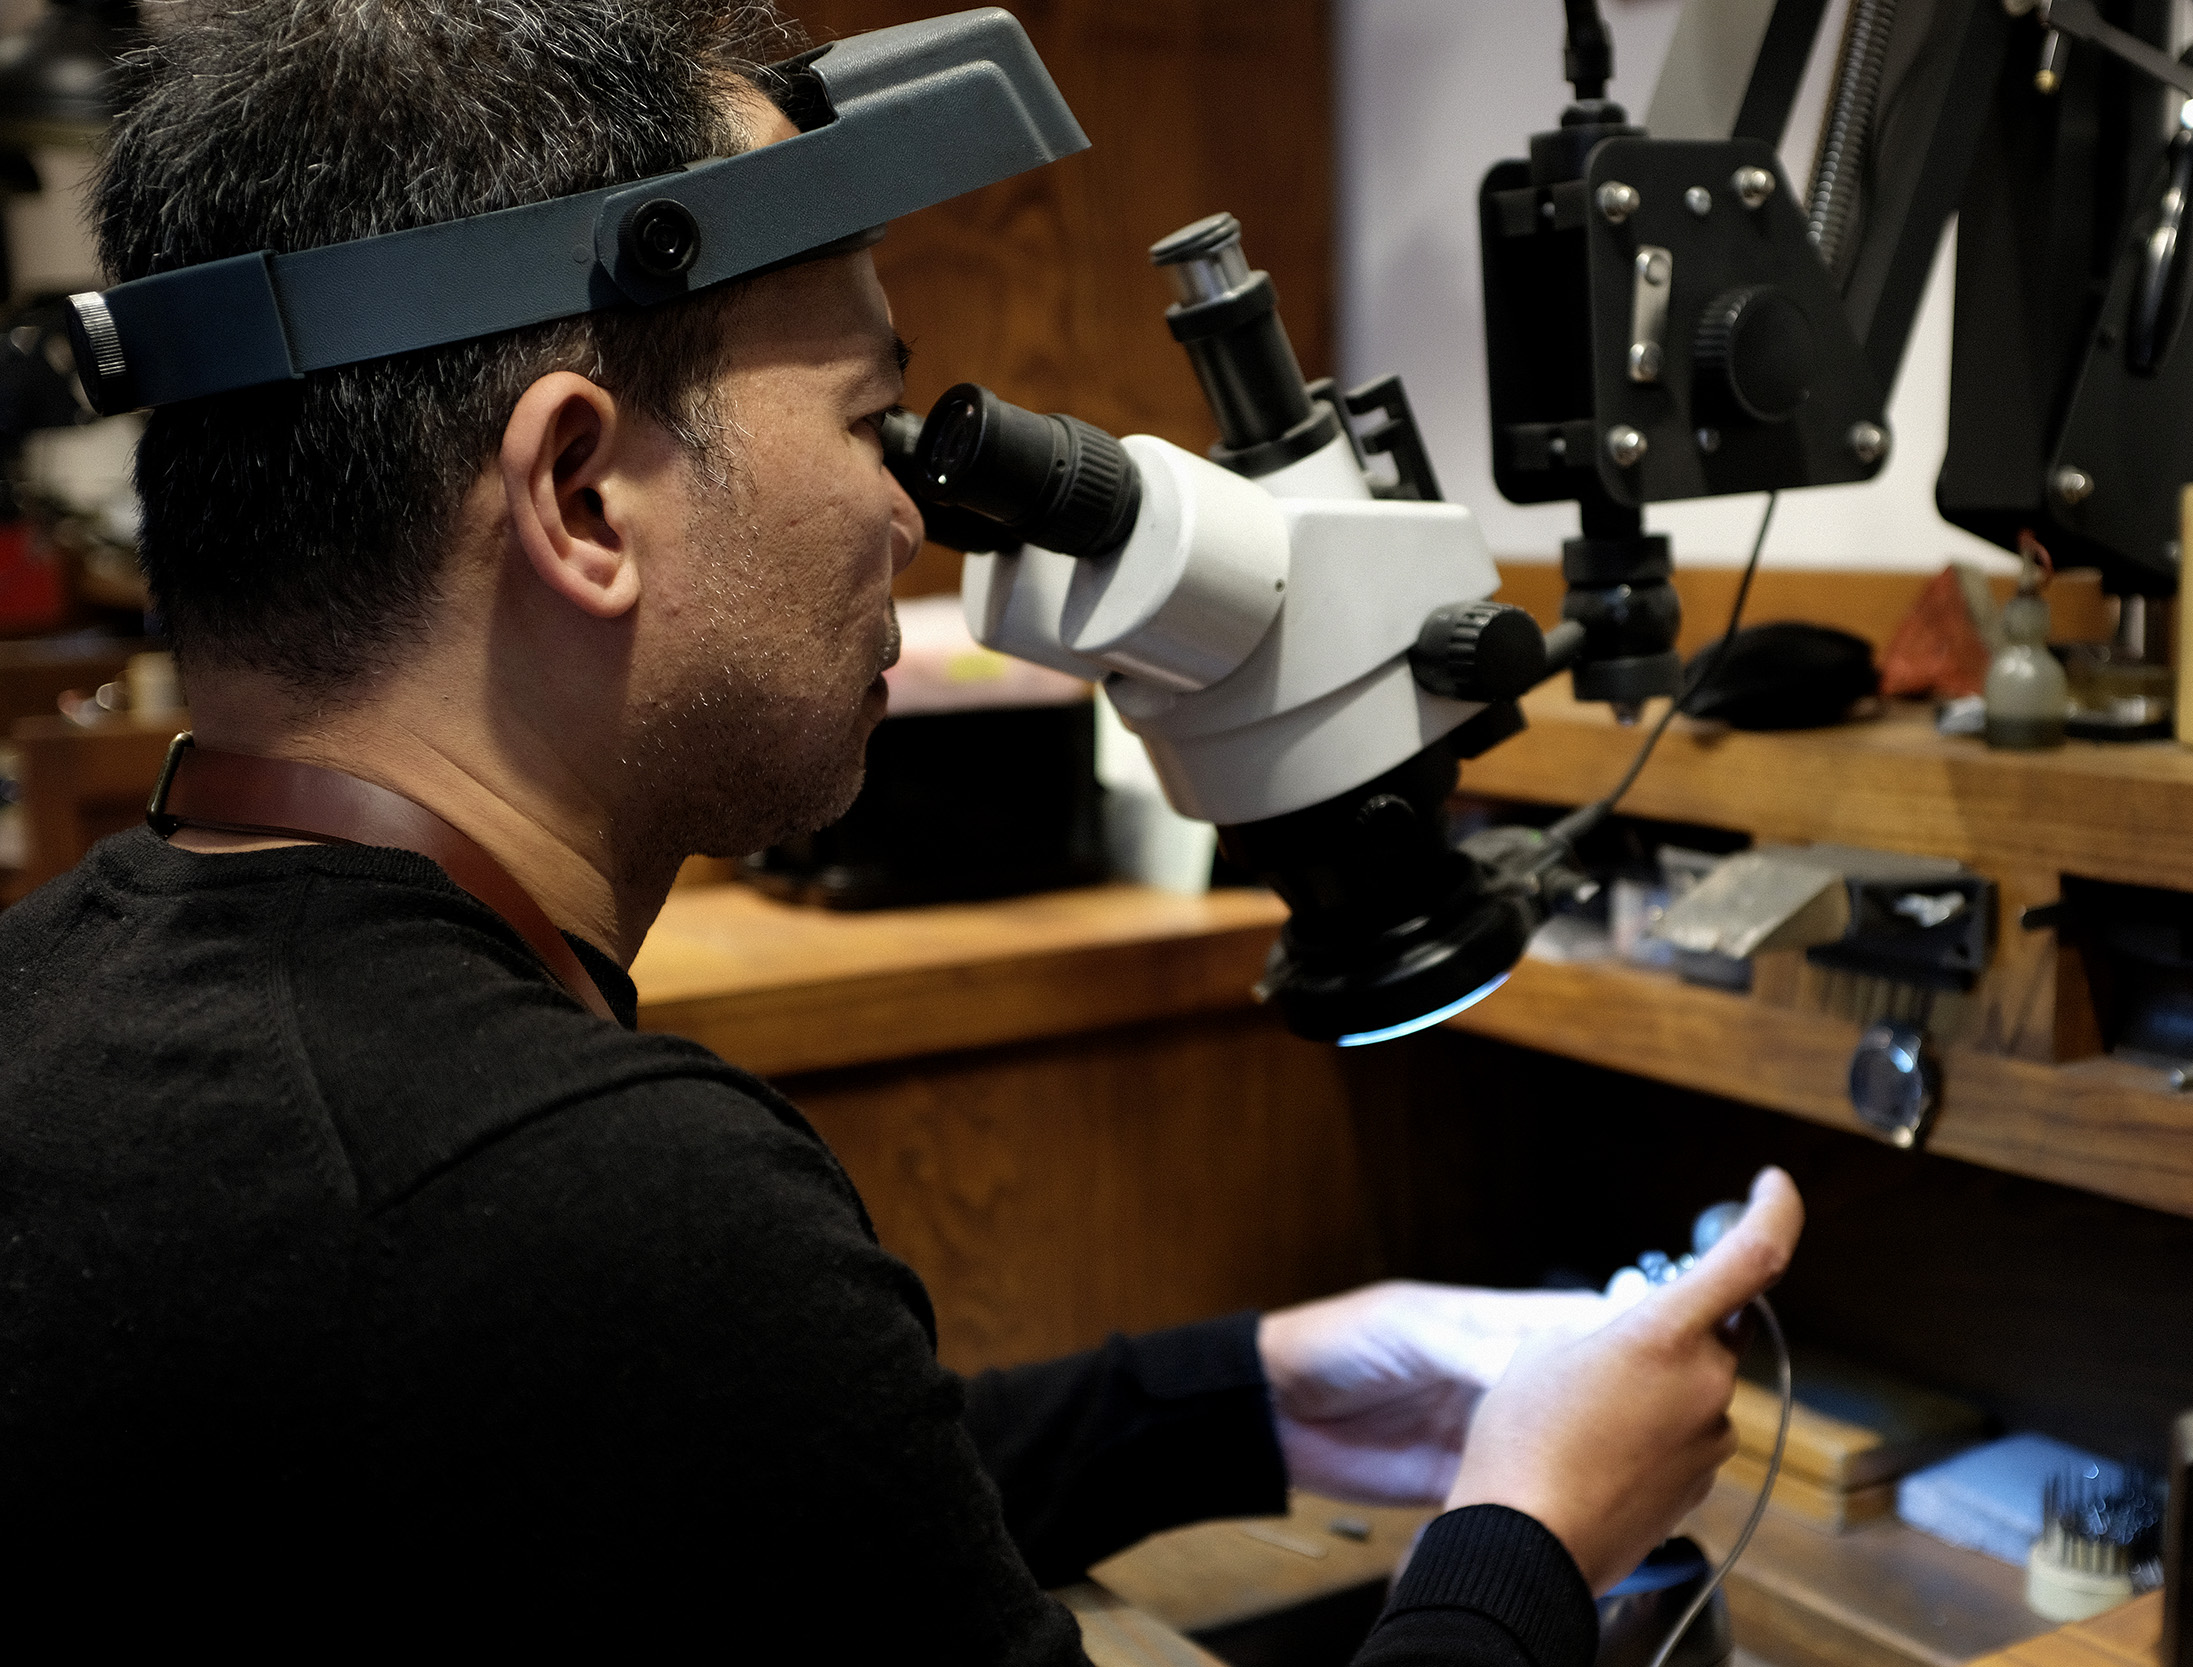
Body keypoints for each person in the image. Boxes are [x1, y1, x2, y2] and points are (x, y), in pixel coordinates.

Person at [0, 2, 1804, 1657]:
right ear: (578, 494)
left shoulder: (72, 1010)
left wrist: (1247, 1393)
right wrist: (1533, 1530)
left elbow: (691, 1491)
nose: (910, 518)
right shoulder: (579, 1193)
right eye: (873, 422)